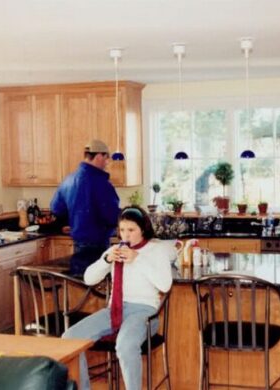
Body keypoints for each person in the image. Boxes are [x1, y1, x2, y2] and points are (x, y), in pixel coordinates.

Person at [62, 206, 175, 390]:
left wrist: (138, 258)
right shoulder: (115, 250)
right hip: (114, 310)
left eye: (131, 230)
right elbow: (89, 279)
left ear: (143, 229)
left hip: (145, 313)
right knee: (70, 339)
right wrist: (105, 260)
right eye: (122, 230)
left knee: (125, 345)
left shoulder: (156, 250)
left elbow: (165, 285)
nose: (126, 236)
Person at [50, 139, 120, 274]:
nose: (107, 163)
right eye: (107, 158)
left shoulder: (68, 180)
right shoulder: (101, 183)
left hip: (78, 243)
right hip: (98, 244)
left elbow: (56, 208)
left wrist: (72, 222)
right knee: (97, 287)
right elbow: (111, 215)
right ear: (99, 156)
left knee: (80, 285)